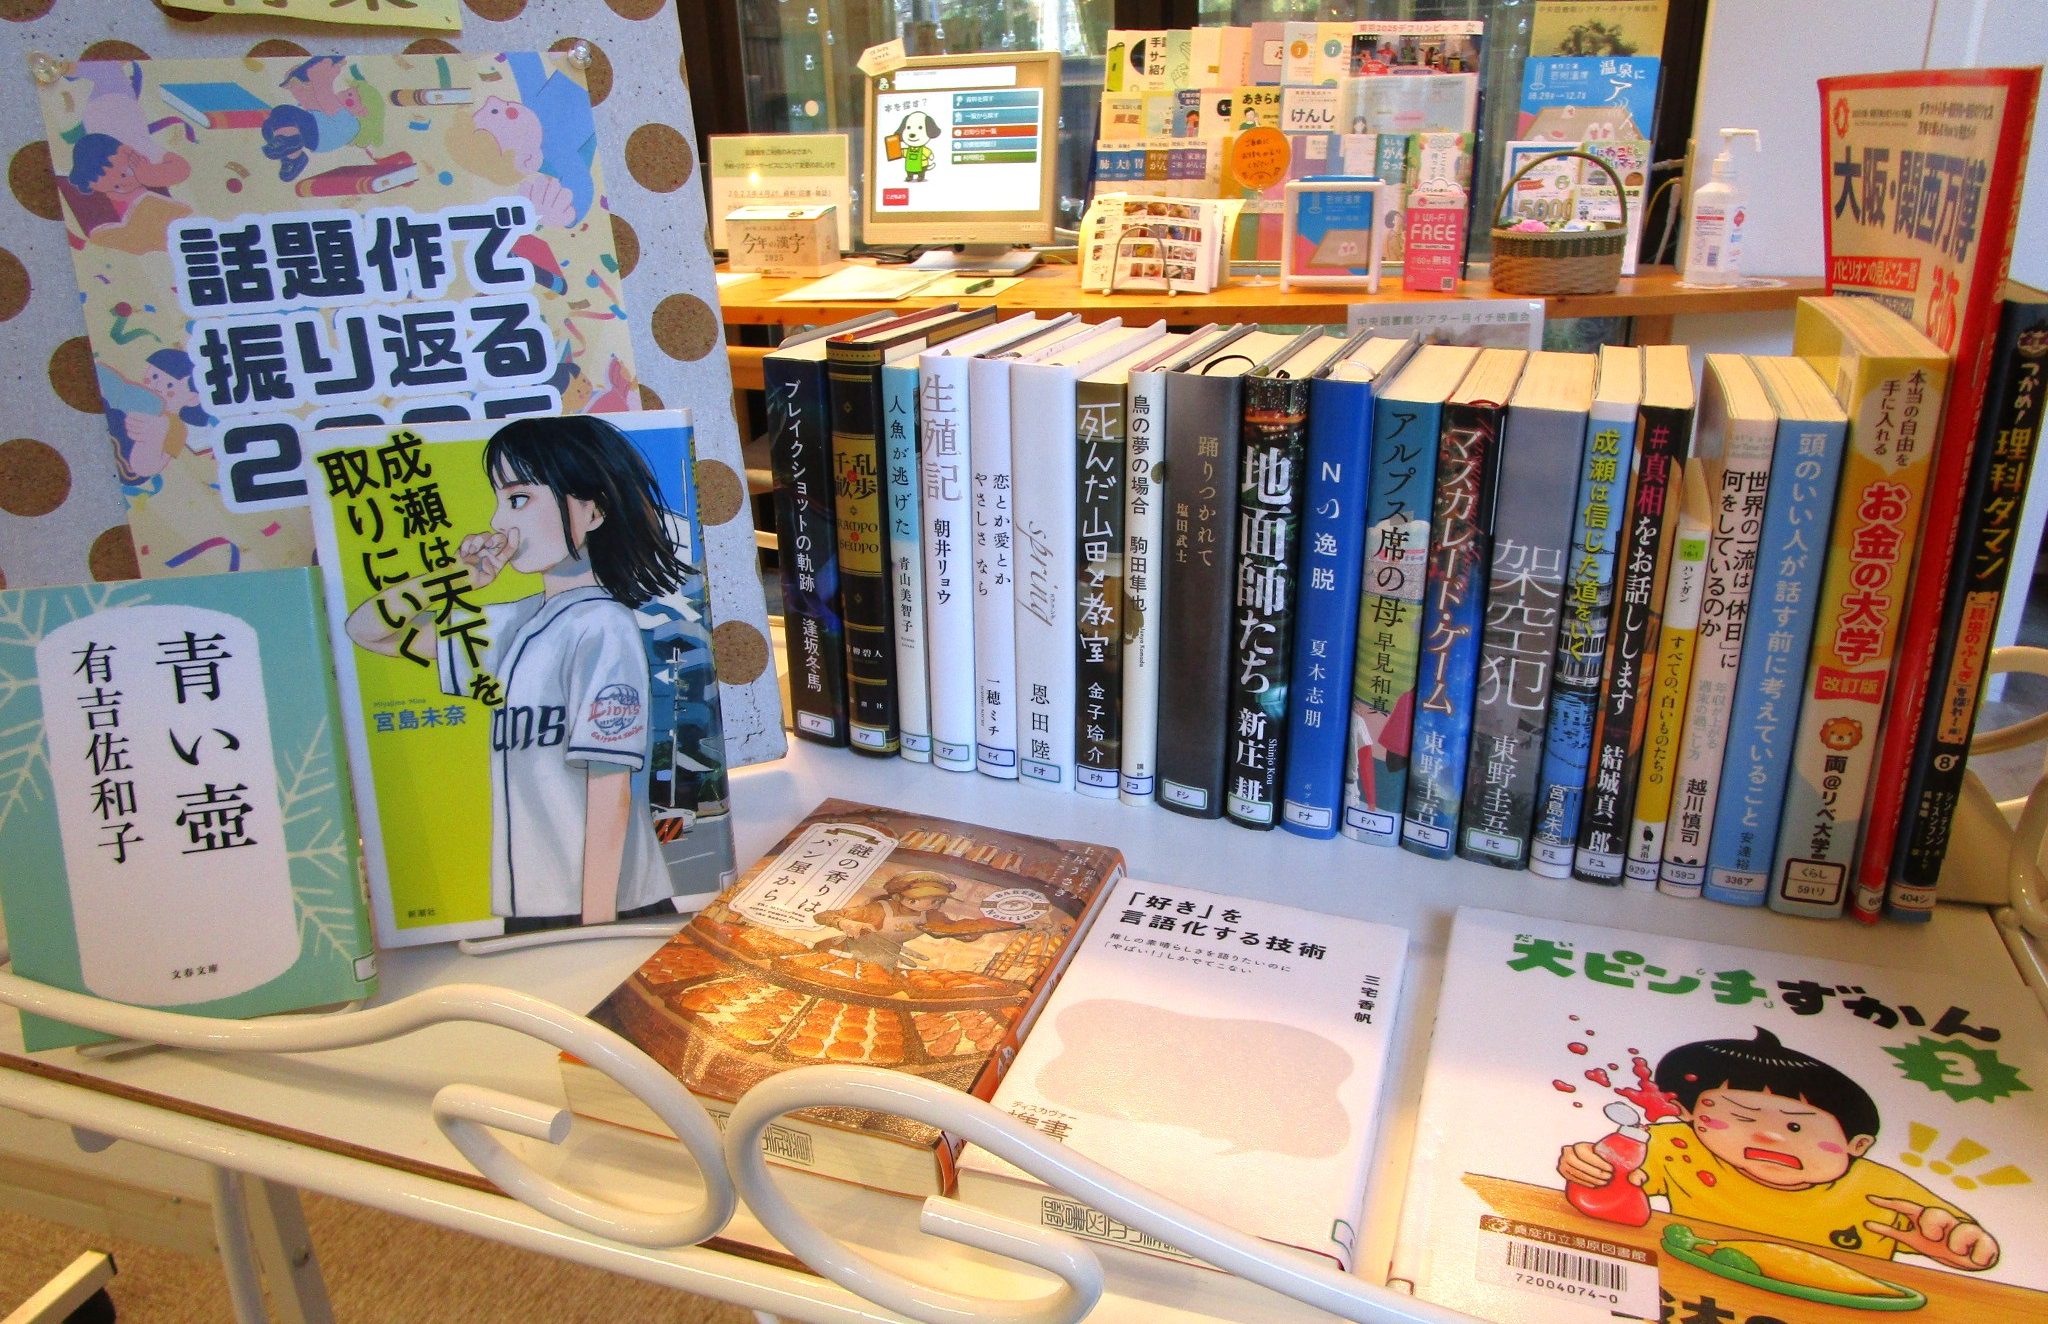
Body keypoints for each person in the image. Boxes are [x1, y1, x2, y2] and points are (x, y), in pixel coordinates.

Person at [345, 416, 692, 932]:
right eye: (499, 501)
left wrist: (596, 924)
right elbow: (368, 629)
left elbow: (609, 784)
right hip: (533, 904)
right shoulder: (513, 623)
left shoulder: (602, 625)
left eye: (519, 498)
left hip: (601, 906)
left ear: (593, 510)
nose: (498, 521)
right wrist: (452, 579)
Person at [1556, 1027, 2001, 1270]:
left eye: (1796, 1126)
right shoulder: (1679, 1146)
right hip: (1697, 1283)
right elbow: (1612, 1178)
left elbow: (1954, 1239)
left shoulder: (1882, 1190)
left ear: (1857, 1144)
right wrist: (1586, 1166)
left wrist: (1960, 1248)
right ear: (1688, 1113)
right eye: (1741, 1116)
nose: (1768, 1137)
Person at [810, 871, 1023, 972]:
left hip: (885, 964)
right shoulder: (878, 910)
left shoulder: (930, 916)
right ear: (900, 896)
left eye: (937, 899)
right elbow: (822, 916)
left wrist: (984, 928)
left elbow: (956, 931)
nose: (934, 903)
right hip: (842, 955)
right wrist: (846, 924)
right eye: (927, 897)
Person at [894, 111, 940, 183]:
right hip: (910, 166)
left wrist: (930, 156)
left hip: (922, 165)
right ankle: (910, 176)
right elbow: (902, 152)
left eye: (920, 127)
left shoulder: (923, 149)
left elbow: (928, 152)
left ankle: (920, 177)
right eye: (908, 127)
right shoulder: (908, 150)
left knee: (921, 171)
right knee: (909, 171)